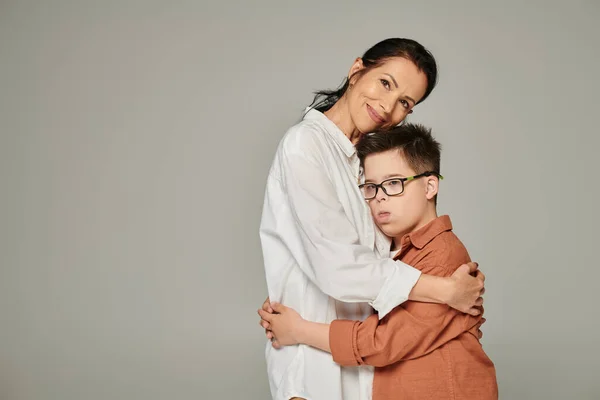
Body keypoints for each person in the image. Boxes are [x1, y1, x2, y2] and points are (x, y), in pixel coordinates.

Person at [258, 38, 485, 400]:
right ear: (357, 70)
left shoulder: (367, 164)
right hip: (314, 366)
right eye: (385, 83)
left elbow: (388, 255)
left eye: (405, 103)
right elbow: (338, 266)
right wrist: (444, 290)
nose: (388, 106)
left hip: (367, 361)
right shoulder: (305, 145)